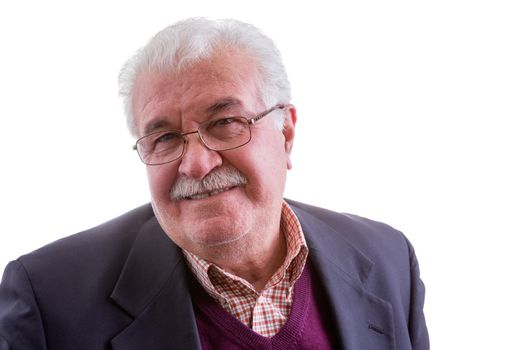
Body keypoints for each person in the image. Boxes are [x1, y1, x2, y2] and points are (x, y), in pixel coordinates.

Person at [0, 18, 429, 350]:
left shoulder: (388, 259)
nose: (196, 163)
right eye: (165, 137)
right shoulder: (48, 299)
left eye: (225, 123)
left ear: (286, 134)